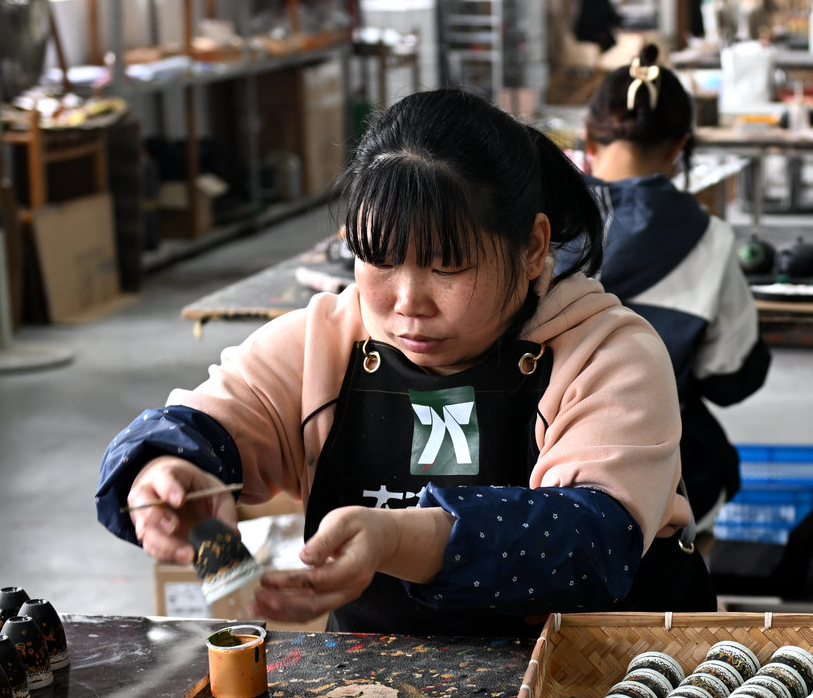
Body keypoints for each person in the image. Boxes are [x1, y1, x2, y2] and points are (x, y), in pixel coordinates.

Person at [95, 89, 714, 634]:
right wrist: (165, 474)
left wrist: (395, 537)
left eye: (448, 267)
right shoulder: (322, 344)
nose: (407, 303)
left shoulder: (608, 352)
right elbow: (198, 423)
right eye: (380, 261)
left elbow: (587, 547)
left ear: (531, 247)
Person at [584, 45, 769, 526]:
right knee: (710, 461)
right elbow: (731, 377)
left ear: (588, 139)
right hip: (665, 484)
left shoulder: (536, 227)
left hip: (535, 471)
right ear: (680, 147)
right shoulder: (709, 237)